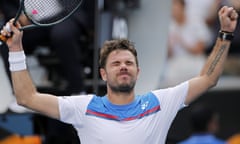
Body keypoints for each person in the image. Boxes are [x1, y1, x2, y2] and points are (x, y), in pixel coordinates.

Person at [0, 5, 238, 144]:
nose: (123, 66)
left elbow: (208, 78)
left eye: (128, 62)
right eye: (116, 63)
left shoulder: (160, 103)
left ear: (138, 71)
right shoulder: (83, 106)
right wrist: (15, 49)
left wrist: (225, 33)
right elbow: (26, 98)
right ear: (103, 74)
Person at [162, 0, 212, 87]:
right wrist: (170, 46)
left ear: (183, 7)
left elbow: (200, 49)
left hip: (195, 63)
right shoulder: (168, 25)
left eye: (176, 6)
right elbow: (167, 55)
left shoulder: (196, 22)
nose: (173, 9)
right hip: (175, 66)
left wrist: (182, 41)